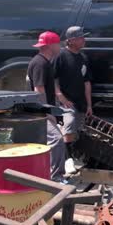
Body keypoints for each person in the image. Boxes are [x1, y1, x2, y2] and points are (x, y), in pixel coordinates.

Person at [27, 31, 66, 181]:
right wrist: (46, 112)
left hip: (43, 109)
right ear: (50, 46)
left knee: (46, 142)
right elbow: (39, 89)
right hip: (40, 111)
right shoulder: (40, 63)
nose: (60, 47)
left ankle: (45, 175)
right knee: (56, 140)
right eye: (58, 44)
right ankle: (56, 178)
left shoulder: (44, 62)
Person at [53, 26, 93, 166]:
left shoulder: (83, 57)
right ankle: (67, 161)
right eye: (81, 37)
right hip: (66, 102)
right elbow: (53, 79)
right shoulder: (60, 56)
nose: (84, 40)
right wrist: (60, 96)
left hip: (80, 101)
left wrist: (89, 105)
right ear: (70, 41)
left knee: (78, 131)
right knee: (68, 128)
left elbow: (86, 82)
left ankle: (75, 158)